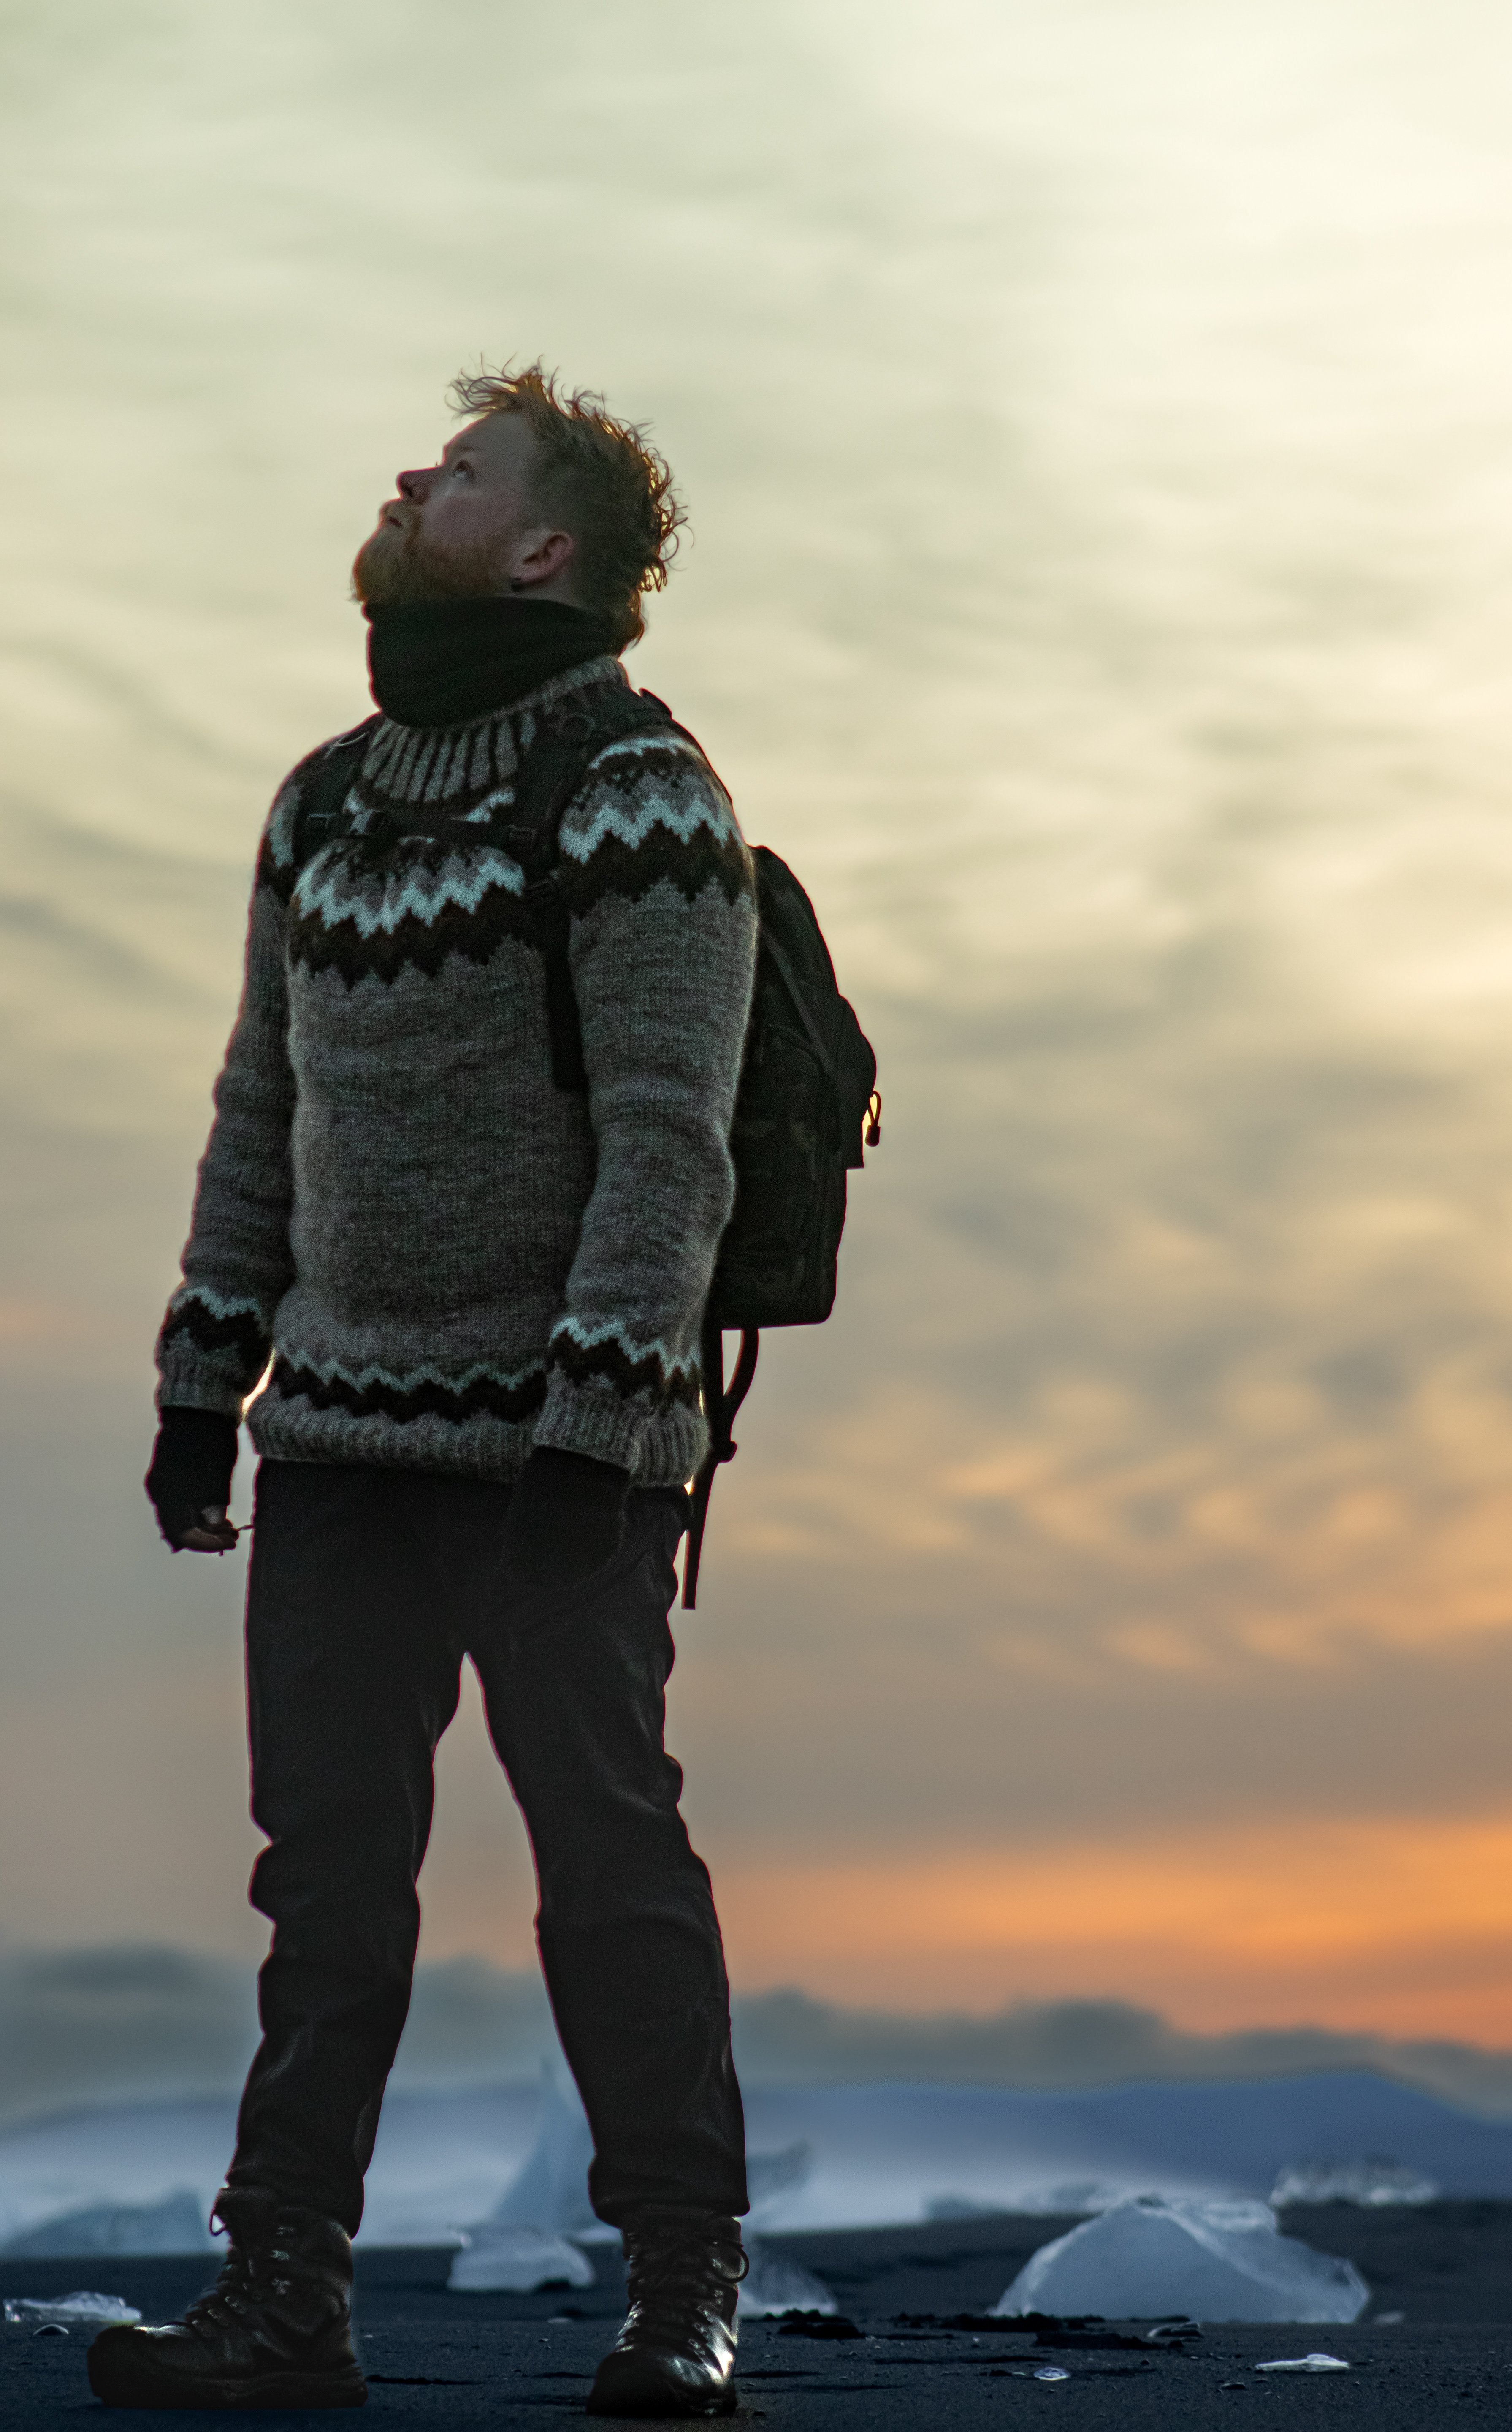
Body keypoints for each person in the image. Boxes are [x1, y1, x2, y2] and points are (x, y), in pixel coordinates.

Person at [88, 364, 757, 2418]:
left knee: (609, 1862)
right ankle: (286, 2293)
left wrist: (603, 1406)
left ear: (546, 547)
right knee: (327, 1886)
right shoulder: (327, 796)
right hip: (343, 1441)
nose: (412, 476)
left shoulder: (636, 785)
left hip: (566, 1448)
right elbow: (261, 1104)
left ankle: (680, 2294)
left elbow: (672, 1133)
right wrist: (208, 1370)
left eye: (460, 472)